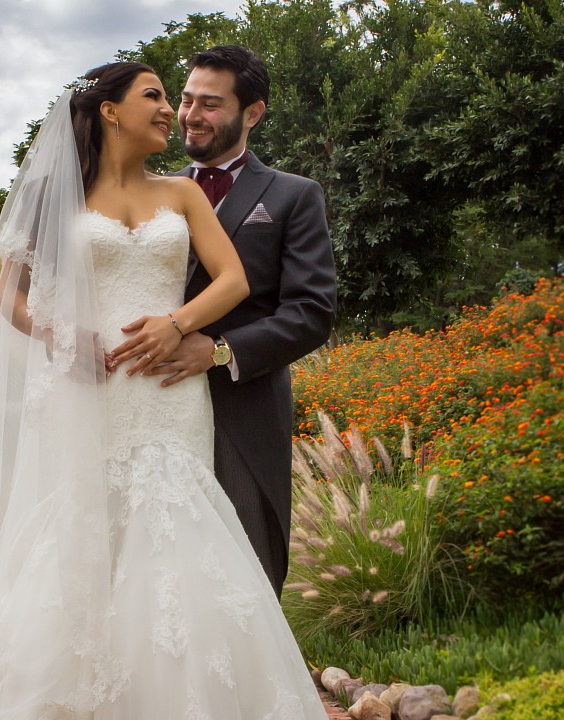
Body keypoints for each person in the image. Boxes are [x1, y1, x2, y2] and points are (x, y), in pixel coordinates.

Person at [0, 61, 328, 719]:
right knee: (79, 536)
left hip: (169, 392)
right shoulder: (60, 199)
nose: (172, 108)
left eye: (179, 98)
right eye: (157, 95)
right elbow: (11, 294)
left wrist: (180, 326)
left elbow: (232, 282)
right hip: (89, 393)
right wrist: (59, 337)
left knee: (178, 536)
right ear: (109, 111)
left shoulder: (182, 195)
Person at [148, 45, 338, 598]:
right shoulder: (147, 193)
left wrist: (220, 350)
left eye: (210, 104)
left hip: (243, 413)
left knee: (245, 576)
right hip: (149, 406)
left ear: (251, 113)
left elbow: (310, 312)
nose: (190, 114)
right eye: (185, 100)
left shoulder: (293, 195)